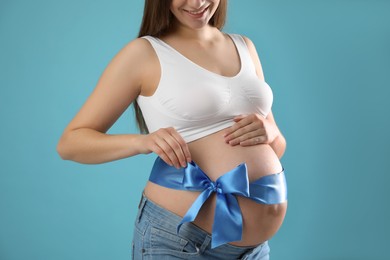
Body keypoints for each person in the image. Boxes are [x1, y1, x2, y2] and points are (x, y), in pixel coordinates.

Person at [57, 0, 288, 259]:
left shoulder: (244, 46)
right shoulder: (144, 53)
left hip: (253, 251)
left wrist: (270, 132)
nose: (197, 2)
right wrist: (143, 142)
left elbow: (277, 147)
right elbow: (69, 144)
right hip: (180, 242)